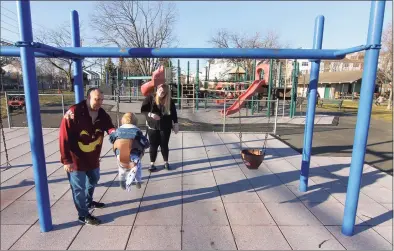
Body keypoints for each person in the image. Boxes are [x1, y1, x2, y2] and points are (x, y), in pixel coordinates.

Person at [59, 87, 115, 226]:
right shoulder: (74, 113)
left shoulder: (101, 114)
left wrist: (117, 135)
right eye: (97, 99)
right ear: (88, 98)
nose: (100, 102)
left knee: (94, 179)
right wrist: (66, 160)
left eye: (102, 99)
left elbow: (110, 127)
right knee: (78, 188)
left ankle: (88, 201)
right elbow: (63, 137)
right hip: (76, 159)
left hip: (93, 157)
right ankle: (83, 215)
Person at [141, 83, 179, 172]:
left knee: (164, 145)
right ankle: (152, 164)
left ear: (166, 93)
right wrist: (151, 115)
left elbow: (174, 113)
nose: (161, 93)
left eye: (164, 92)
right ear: (157, 89)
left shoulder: (169, 100)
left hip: (165, 126)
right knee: (153, 145)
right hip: (152, 126)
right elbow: (143, 110)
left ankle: (166, 162)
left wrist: (176, 123)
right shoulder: (150, 98)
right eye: (160, 91)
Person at [110, 112, 150, 191]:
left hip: (120, 155)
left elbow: (111, 139)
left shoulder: (118, 131)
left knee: (121, 168)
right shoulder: (137, 132)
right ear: (135, 123)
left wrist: (114, 135)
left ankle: (122, 181)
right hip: (133, 154)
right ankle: (138, 181)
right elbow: (145, 143)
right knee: (137, 167)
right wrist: (146, 144)